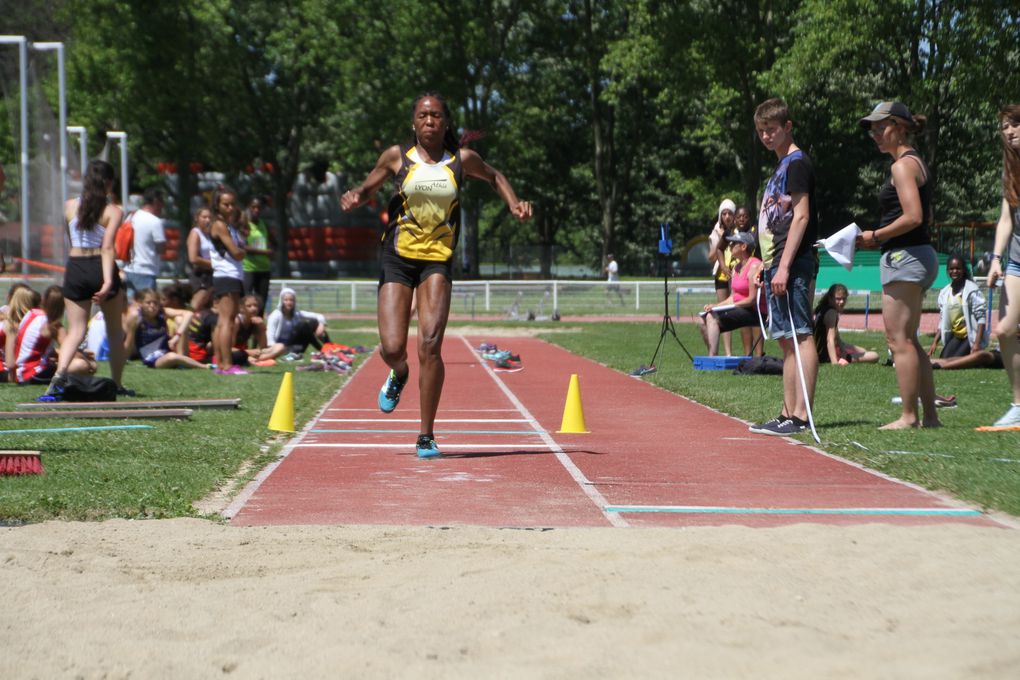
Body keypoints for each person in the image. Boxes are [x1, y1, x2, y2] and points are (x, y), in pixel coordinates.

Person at [340, 91, 532, 458]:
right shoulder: (398, 157)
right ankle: (399, 373)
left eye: (437, 116)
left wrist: (514, 203)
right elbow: (369, 187)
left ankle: (425, 434)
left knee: (429, 345)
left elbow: (495, 176)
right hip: (397, 257)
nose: (430, 121)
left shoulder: (461, 160)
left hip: (437, 261)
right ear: (413, 123)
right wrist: (355, 196)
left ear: (445, 122)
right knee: (393, 347)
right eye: (423, 116)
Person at [857, 101, 940, 429]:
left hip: (905, 257)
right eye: (873, 129)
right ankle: (930, 417)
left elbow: (914, 217)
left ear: (901, 127)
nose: (876, 134)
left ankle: (909, 416)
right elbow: (925, 217)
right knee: (910, 340)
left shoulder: (901, 167)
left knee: (897, 340)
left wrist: (875, 236)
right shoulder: (916, 162)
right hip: (919, 255)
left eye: (882, 127)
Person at [748, 98, 819, 436]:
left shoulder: (797, 164)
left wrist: (785, 266)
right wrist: (768, 265)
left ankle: (801, 415)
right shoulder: (780, 167)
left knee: (801, 335)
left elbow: (801, 216)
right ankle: (787, 411)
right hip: (776, 261)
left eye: (772, 129)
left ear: (787, 127)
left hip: (794, 261)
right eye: (762, 131)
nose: (766, 136)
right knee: (786, 340)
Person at [42, 159, 131, 400]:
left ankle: (58, 378)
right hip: (100, 267)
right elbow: (108, 248)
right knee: (114, 331)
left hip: (76, 267)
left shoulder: (69, 206)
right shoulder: (114, 211)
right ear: (110, 183)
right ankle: (117, 383)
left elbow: (72, 240)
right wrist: (108, 282)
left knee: (76, 330)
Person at [985, 103, 1020, 428]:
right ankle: (1018, 404)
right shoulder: (1010, 168)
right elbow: (1007, 216)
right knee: (1006, 330)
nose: (1009, 131)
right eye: (1005, 126)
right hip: (1016, 263)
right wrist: (996, 258)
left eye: (1015, 125)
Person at [697, 231, 765, 356]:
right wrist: (716, 305)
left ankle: (712, 358)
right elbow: (733, 297)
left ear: (744, 247)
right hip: (741, 308)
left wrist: (731, 306)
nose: (730, 245)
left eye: (734, 243)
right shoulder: (736, 268)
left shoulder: (754, 265)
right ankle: (712, 357)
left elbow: (752, 300)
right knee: (703, 319)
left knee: (712, 317)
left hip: (755, 312)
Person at [209, 187, 248, 375]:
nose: (230, 208)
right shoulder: (219, 225)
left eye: (233, 204)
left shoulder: (228, 225)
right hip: (227, 274)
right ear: (217, 205)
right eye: (226, 204)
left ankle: (220, 364)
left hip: (230, 275)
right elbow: (236, 253)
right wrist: (244, 251)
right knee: (227, 321)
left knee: (223, 321)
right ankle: (226, 365)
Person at [124, 289, 207, 370]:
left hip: (166, 350)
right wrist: (124, 358)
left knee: (179, 319)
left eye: (155, 303)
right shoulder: (137, 317)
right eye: (148, 303)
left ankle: (182, 359)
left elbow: (189, 313)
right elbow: (129, 340)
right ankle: (204, 366)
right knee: (172, 357)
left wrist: (176, 337)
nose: (152, 306)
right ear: (141, 304)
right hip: (152, 358)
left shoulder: (162, 312)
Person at [928, 255, 987, 360]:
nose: (954, 271)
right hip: (957, 336)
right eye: (951, 269)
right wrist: (934, 343)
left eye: (958, 268)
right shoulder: (944, 293)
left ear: (963, 270)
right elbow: (942, 320)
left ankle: (978, 355)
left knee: (955, 361)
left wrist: (977, 344)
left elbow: (981, 318)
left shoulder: (971, 290)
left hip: (970, 336)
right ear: (947, 270)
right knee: (944, 359)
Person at [814, 283, 880, 365]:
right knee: (875, 355)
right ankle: (843, 359)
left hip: (826, 351)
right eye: (838, 299)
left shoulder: (824, 309)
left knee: (863, 351)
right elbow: (830, 340)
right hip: (826, 355)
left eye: (844, 299)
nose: (841, 302)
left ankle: (844, 355)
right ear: (830, 298)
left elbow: (836, 338)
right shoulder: (831, 313)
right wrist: (835, 363)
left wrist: (844, 350)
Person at [123, 186, 167, 299]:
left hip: (129, 269)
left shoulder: (131, 217)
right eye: (162, 202)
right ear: (156, 201)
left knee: (131, 308)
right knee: (147, 308)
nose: (163, 206)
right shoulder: (155, 221)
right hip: (146, 271)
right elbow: (161, 248)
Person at [260, 288, 327, 360]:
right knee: (302, 325)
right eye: (286, 300)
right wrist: (274, 351)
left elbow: (318, 316)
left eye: (291, 300)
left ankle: (329, 347)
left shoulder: (296, 313)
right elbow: (270, 337)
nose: (289, 302)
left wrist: (321, 324)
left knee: (313, 322)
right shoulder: (275, 315)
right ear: (281, 301)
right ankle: (323, 350)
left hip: (295, 346)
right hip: (281, 348)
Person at [708, 199, 738, 355]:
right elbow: (711, 257)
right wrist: (720, 240)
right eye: (724, 213)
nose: (727, 216)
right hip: (721, 274)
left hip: (734, 273)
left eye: (730, 213)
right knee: (722, 311)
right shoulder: (715, 232)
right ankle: (727, 352)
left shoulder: (738, 232)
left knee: (736, 309)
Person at [242, 196, 274, 316]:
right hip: (249, 268)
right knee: (247, 300)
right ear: (249, 208)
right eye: (253, 207)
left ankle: (258, 330)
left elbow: (274, 242)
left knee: (261, 303)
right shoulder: (245, 225)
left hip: (264, 268)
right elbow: (243, 247)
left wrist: (272, 251)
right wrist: (265, 252)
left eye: (259, 208)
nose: (256, 210)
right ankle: (245, 327)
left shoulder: (264, 224)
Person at [187, 206, 215, 312]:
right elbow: (193, 258)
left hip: (212, 274)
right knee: (198, 302)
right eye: (204, 217)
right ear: (197, 218)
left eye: (210, 217)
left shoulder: (210, 235)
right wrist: (213, 264)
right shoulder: (195, 233)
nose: (207, 220)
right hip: (201, 275)